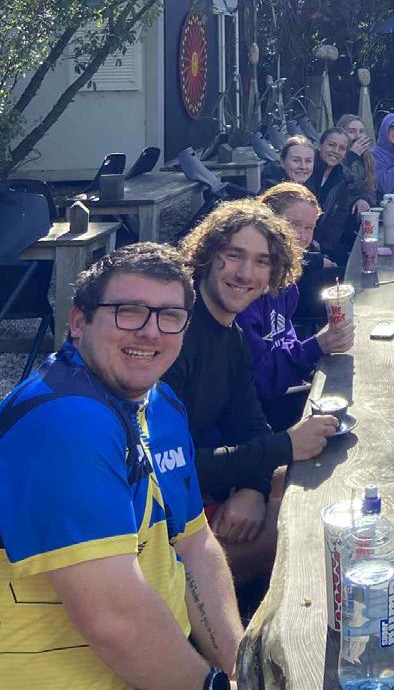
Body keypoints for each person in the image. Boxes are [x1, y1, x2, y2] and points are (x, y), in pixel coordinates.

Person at [0, 243, 243, 690]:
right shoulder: (64, 423)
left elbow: (194, 546)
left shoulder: (161, 404)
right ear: (78, 322)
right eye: (128, 312)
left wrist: (240, 670)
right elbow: (113, 618)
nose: (150, 332)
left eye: (170, 316)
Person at [163, 200, 340, 583]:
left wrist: (253, 488)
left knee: (321, 486)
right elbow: (170, 467)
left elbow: (251, 425)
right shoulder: (173, 336)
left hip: (210, 483)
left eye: (262, 262)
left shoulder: (234, 336)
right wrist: (285, 446)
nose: (246, 273)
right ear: (206, 254)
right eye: (233, 255)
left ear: (276, 273)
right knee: (307, 531)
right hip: (165, 515)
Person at [237, 183, 355, 431]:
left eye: (309, 228)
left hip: (282, 392)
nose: (301, 237)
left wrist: (318, 348)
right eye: (293, 225)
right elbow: (260, 380)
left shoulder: (287, 286)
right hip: (253, 415)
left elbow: (286, 344)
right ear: (267, 223)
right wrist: (317, 346)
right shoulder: (243, 292)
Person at [310, 126, 356, 270]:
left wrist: (326, 253)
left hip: (324, 247)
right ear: (320, 145)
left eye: (341, 148)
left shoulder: (342, 178)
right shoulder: (307, 169)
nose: (335, 151)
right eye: (331, 145)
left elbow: (337, 222)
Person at [336, 114, 377, 212]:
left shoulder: (367, 158)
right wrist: (351, 156)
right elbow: (337, 188)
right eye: (352, 132)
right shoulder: (335, 157)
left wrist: (365, 200)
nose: (358, 136)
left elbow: (371, 190)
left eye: (361, 132)